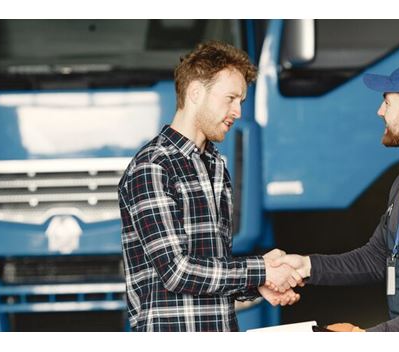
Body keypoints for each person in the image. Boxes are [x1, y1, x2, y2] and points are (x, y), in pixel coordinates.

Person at [118, 41, 302, 332]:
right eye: (230, 98)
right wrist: (261, 270)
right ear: (195, 93)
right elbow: (176, 272)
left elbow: (213, 268)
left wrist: (257, 286)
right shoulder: (153, 167)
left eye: (240, 101)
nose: (237, 112)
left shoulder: (214, 165)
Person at [270, 59, 399, 332]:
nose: (379, 111)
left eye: (388, 103)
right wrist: (307, 265)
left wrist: (369, 339)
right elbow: (375, 258)